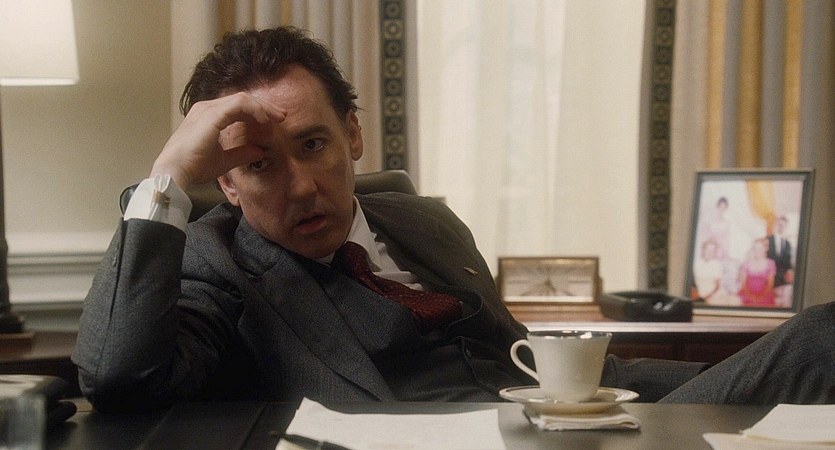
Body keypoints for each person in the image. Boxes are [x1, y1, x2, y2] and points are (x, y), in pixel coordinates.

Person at [73, 26, 835, 412]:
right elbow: (117, 376)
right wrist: (166, 175)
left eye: (312, 145)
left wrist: (695, 386)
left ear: (353, 135)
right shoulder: (216, 261)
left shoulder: (421, 221)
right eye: (261, 165)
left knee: (816, 346)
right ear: (226, 184)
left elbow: (517, 360)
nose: (301, 186)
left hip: (561, 422)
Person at [738, 238, 777, 307]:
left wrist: (760, 297)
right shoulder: (746, 264)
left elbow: (770, 284)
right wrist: (751, 297)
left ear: (766, 248)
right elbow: (743, 284)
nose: (757, 251)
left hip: (765, 294)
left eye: (760, 248)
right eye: (755, 248)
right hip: (747, 294)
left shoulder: (770, 263)